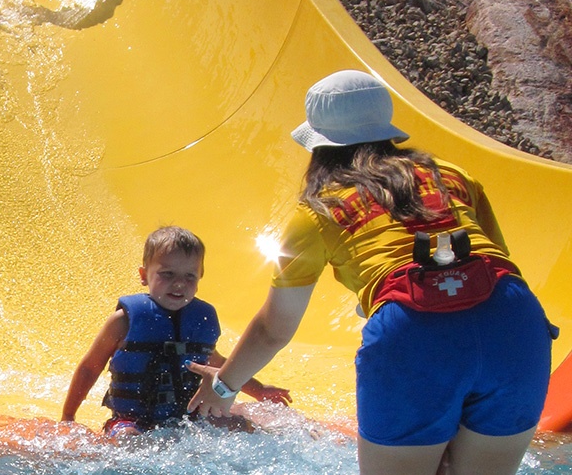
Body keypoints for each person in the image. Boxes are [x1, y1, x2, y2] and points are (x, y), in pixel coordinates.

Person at [185, 70, 558, 475]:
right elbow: (498, 263)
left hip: (411, 332)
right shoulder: (450, 176)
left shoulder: (319, 210)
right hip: (514, 321)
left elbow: (275, 329)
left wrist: (223, 385)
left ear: (320, 146)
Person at [61, 225, 291, 438]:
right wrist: (68, 417)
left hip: (189, 416)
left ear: (199, 277)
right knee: (128, 439)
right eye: (167, 274)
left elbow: (220, 365)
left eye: (189, 276)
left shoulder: (200, 320)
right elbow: (90, 368)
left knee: (242, 428)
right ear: (144, 275)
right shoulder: (124, 321)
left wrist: (259, 389)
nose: (179, 284)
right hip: (131, 419)